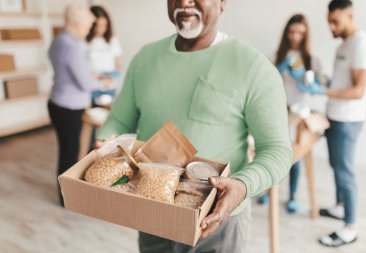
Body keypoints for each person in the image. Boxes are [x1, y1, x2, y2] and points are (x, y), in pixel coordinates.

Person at [95, 0, 293, 252]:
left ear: (222, 2)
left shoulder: (253, 67)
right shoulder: (145, 59)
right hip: (152, 211)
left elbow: (277, 150)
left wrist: (243, 185)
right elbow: (119, 120)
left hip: (217, 221)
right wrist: (103, 145)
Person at [309, 0, 366, 247]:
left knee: (345, 171)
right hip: (336, 116)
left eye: (336, 21)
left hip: (348, 120)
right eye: (329, 21)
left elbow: (358, 90)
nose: (331, 26)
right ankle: (340, 207)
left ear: (351, 16)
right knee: (336, 164)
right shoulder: (346, 44)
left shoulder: (361, 45)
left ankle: (350, 228)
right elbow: (342, 82)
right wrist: (325, 83)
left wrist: (323, 92)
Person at [48, 4, 112, 206]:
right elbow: (84, 83)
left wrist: (90, 76)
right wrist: (103, 82)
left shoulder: (59, 40)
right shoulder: (72, 46)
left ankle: (67, 194)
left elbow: (69, 73)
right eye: (87, 26)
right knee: (69, 152)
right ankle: (66, 198)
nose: (88, 30)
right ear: (76, 24)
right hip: (69, 107)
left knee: (67, 149)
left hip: (57, 102)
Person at [258, 14, 322, 214]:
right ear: (287, 33)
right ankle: (269, 190)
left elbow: (319, 86)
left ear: (306, 34)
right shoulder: (277, 55)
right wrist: (279, 68)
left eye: (300, 32)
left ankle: (292, 196)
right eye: (292, 32)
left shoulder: (312, 60)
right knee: (273, 151)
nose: (295, 36)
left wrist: (309, 82)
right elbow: (264, 81)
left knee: (295, 154)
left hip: (299, 112)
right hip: (278, 110)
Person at [86, 5, 123, 104]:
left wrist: (110, 78)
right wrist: (98, 78)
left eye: (104, 25)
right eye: (97, 25)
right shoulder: (85, 42)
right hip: (92, 86)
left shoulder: (113, 40)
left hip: (110, 86)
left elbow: (118, 65)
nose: (100, 29)